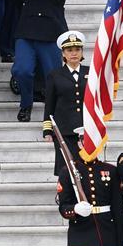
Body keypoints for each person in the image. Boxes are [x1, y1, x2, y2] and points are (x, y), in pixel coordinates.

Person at [10, 0, 71, 122]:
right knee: (21, 70)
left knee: (52, 76)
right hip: (27, 29)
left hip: (49, 31)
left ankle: (53, 114)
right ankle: (26, 103)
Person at [42, 30, 88, 175]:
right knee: (65, 167)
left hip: (87, 128)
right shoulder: (54, 75)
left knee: (87, 166)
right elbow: (50, 103)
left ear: (81, 52)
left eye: (77, 49)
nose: (73, 53)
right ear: (63, 54)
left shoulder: (92, 72)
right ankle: (65, 196)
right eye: (69, 50)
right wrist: (47, 129)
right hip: (64, 129)